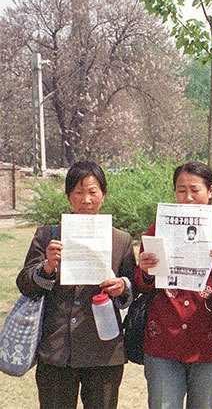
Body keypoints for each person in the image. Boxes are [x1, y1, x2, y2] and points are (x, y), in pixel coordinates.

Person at [16, 161, 136, 409]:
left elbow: (133, 289)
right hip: (57, 350)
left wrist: (122, 287)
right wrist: (47, 266)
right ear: (69, 195)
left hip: (104, 351)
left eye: (93, 192)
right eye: (79, 192)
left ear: (103, 194)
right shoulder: (48, 236)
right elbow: (26, 285)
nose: (86, 200)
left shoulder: (120, 239)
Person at [134, 162, 212, 409]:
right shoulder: (158, 229)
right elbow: (141, 285)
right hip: (164, 340)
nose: (188, 198)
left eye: (195, 190)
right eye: (181, 190)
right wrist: (146, 271)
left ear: (210, 191)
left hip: (208, 345)